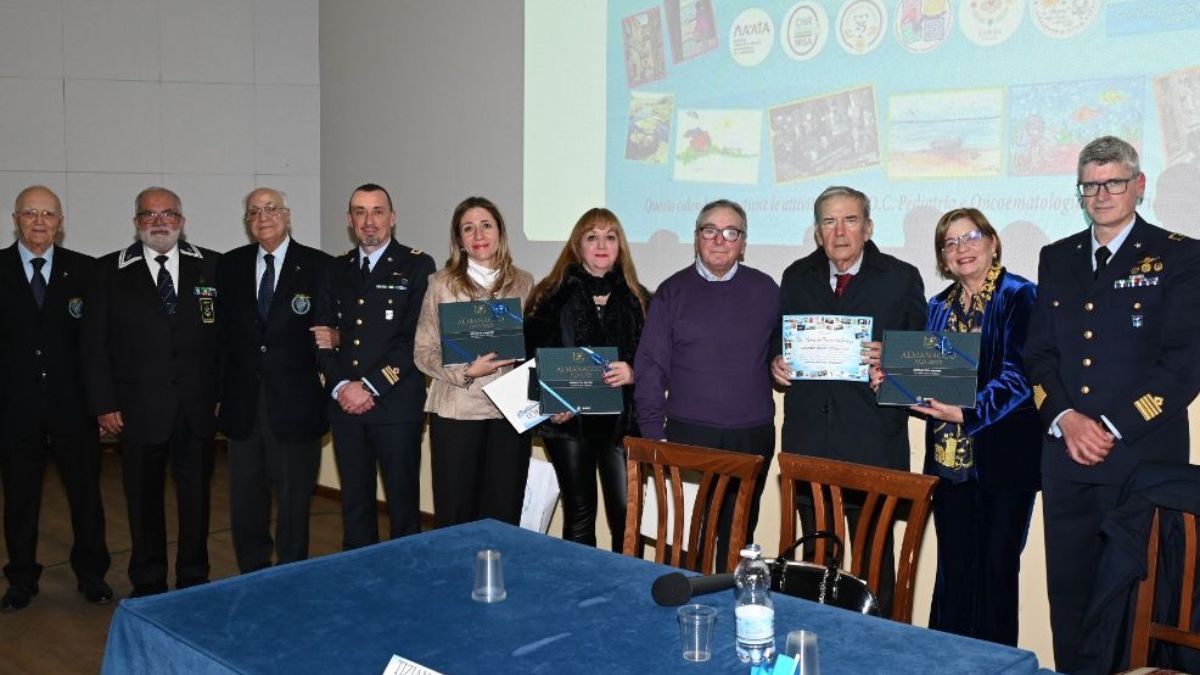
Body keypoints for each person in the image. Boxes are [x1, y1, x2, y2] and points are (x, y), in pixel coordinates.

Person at [1024, 135, 1200, 672]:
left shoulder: (1181, 255)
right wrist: (1065, 418)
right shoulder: (1057, 257)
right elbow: (1038, 355)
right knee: (1072, 597)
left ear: (1138, 186)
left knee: (1141, 600)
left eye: (1114, 182)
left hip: (1141, 462)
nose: (1102, 194)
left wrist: (1110, 427)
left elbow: (1184, 365)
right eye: (1091, 185)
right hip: (1066, 459)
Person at [770, 185, 925, 616]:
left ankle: (883, 653)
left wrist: (892, 357)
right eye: (829, 221)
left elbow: (920, 358)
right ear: (817, 232)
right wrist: (776, 363)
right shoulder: (795, 276)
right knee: (814, 564)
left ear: (868, 227)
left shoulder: (901, 276)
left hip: (872, 442)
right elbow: (776, 341)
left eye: (850, 220)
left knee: (876, 562)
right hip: (809, 440)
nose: (840, 231)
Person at [905, 208, 1040, 645]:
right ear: (943, 258)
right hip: (948, 462)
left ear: (992, 242)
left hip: (1004, 461)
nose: (961, 249)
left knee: (997, 571)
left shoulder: (1019, 295)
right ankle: (943, 661)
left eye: (971, 237)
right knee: (953, 567)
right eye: (950, 243)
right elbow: (928, 375)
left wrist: (968, 412)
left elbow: (1022, 375)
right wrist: (896, 380)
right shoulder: (938, 306)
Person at [82, 187, 221, 597]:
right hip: (137, 408)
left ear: (182, 220)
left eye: (168, 214)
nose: (159, 222)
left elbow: (227, 341)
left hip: (197, 407)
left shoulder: (212, 267)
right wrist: (104, 403)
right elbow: (94, 345)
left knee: (196, 499)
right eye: (149, 215)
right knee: (142, 501)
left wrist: (221, 392)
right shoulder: (107, 272)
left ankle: (194, 575)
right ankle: (149, 579)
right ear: (135, 223)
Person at [634, 199, 778, 571]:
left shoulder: (766, 290)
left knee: (738, 539)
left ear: (743, 243)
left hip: (751, 436)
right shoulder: (671, 292)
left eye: (731, 232)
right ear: (697, 238)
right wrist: (654, 438)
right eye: (710, 230)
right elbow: (649, 368)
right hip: (688, 437)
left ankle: (732, 610)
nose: (720, 239)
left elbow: (780, 351)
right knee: (687, 538)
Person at [0, 186, 111, 611]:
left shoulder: (85, 272)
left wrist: (104, 402)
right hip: (15, 408)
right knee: (20, 496)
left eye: (49, 213)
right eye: (31, 213)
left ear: (61, 222)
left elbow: (98, 344)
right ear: (16, 219)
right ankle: (21, 579)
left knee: (85, 493)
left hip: (74, 407)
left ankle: (92, 574)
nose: (40, 221)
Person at [216, 188, 333, 573]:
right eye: (254, 211)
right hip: (243, 404)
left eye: (271, 208)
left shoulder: (318, 266)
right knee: (246, 500)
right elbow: (219, 337)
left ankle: (291, 573)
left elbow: (337, 330)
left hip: (297, 405)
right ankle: (251, 571)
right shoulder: (228, 266)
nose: (263, 216)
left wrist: (338, 341)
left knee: (294, 500)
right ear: (246, 221)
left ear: (287, 214)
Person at [525, 208, 649, 551]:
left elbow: (659, 361)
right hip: (567, 424)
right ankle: (582, 590)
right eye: (592, 236)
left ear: (620, 247)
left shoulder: (640, 298)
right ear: (577, 246)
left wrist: (634, 371)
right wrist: (551, 403)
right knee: (580, 511)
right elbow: (530, 358)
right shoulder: (549, 295)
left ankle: (629, 587)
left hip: (621, 424)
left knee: (626, 512)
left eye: (610, 237)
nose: (601, 244)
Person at [320, 183, 436, 548]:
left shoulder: (417, 265)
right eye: (360, 212)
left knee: (402, 507)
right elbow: (322, 336)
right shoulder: (334, 269)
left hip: (395, 405)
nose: (369, 221)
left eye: (377, 211)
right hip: (345, 407)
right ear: (350, 220)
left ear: (393, 218)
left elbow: (413, 339)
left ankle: (404, 584)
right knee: (354, 505)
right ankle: (359, 582)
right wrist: (341, 387)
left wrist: (367, 386)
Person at [413, 197, 533, 527]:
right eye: (468, 228)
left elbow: (532, 348)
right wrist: (467, 371)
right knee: (456, 511)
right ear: (460, 240)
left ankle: (496, 578)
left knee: (503, 511)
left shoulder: (524, 282)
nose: (478, 234)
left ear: (500, 233)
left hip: (509, 414)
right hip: (456, 410)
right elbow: (423, 352)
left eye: (486, 225)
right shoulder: (441, 284)